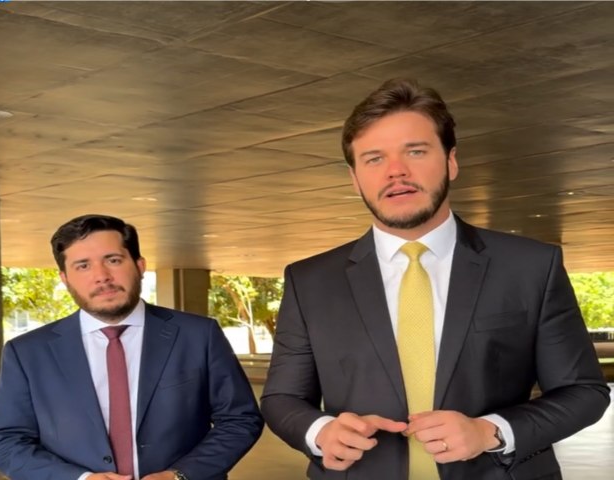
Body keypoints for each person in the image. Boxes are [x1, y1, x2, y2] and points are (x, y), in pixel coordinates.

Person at [260, 78, 610, 480]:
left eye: (416, 151)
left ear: (451, 161)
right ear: (354, 178)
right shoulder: (310, 281)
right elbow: (282, 398)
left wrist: (491, 431)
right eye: (374, 159)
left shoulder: (531, 266)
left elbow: (584, 392)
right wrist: (320, 432)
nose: (396, 171)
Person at [0, 214, 263, 480]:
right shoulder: (27, 352)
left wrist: (179, 475)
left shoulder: (198, 335)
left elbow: (239, 420)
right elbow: (4, 440)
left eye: (113, 260)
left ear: (139, 266)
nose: (101, 276)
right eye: (83, 266)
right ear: (65, 279)